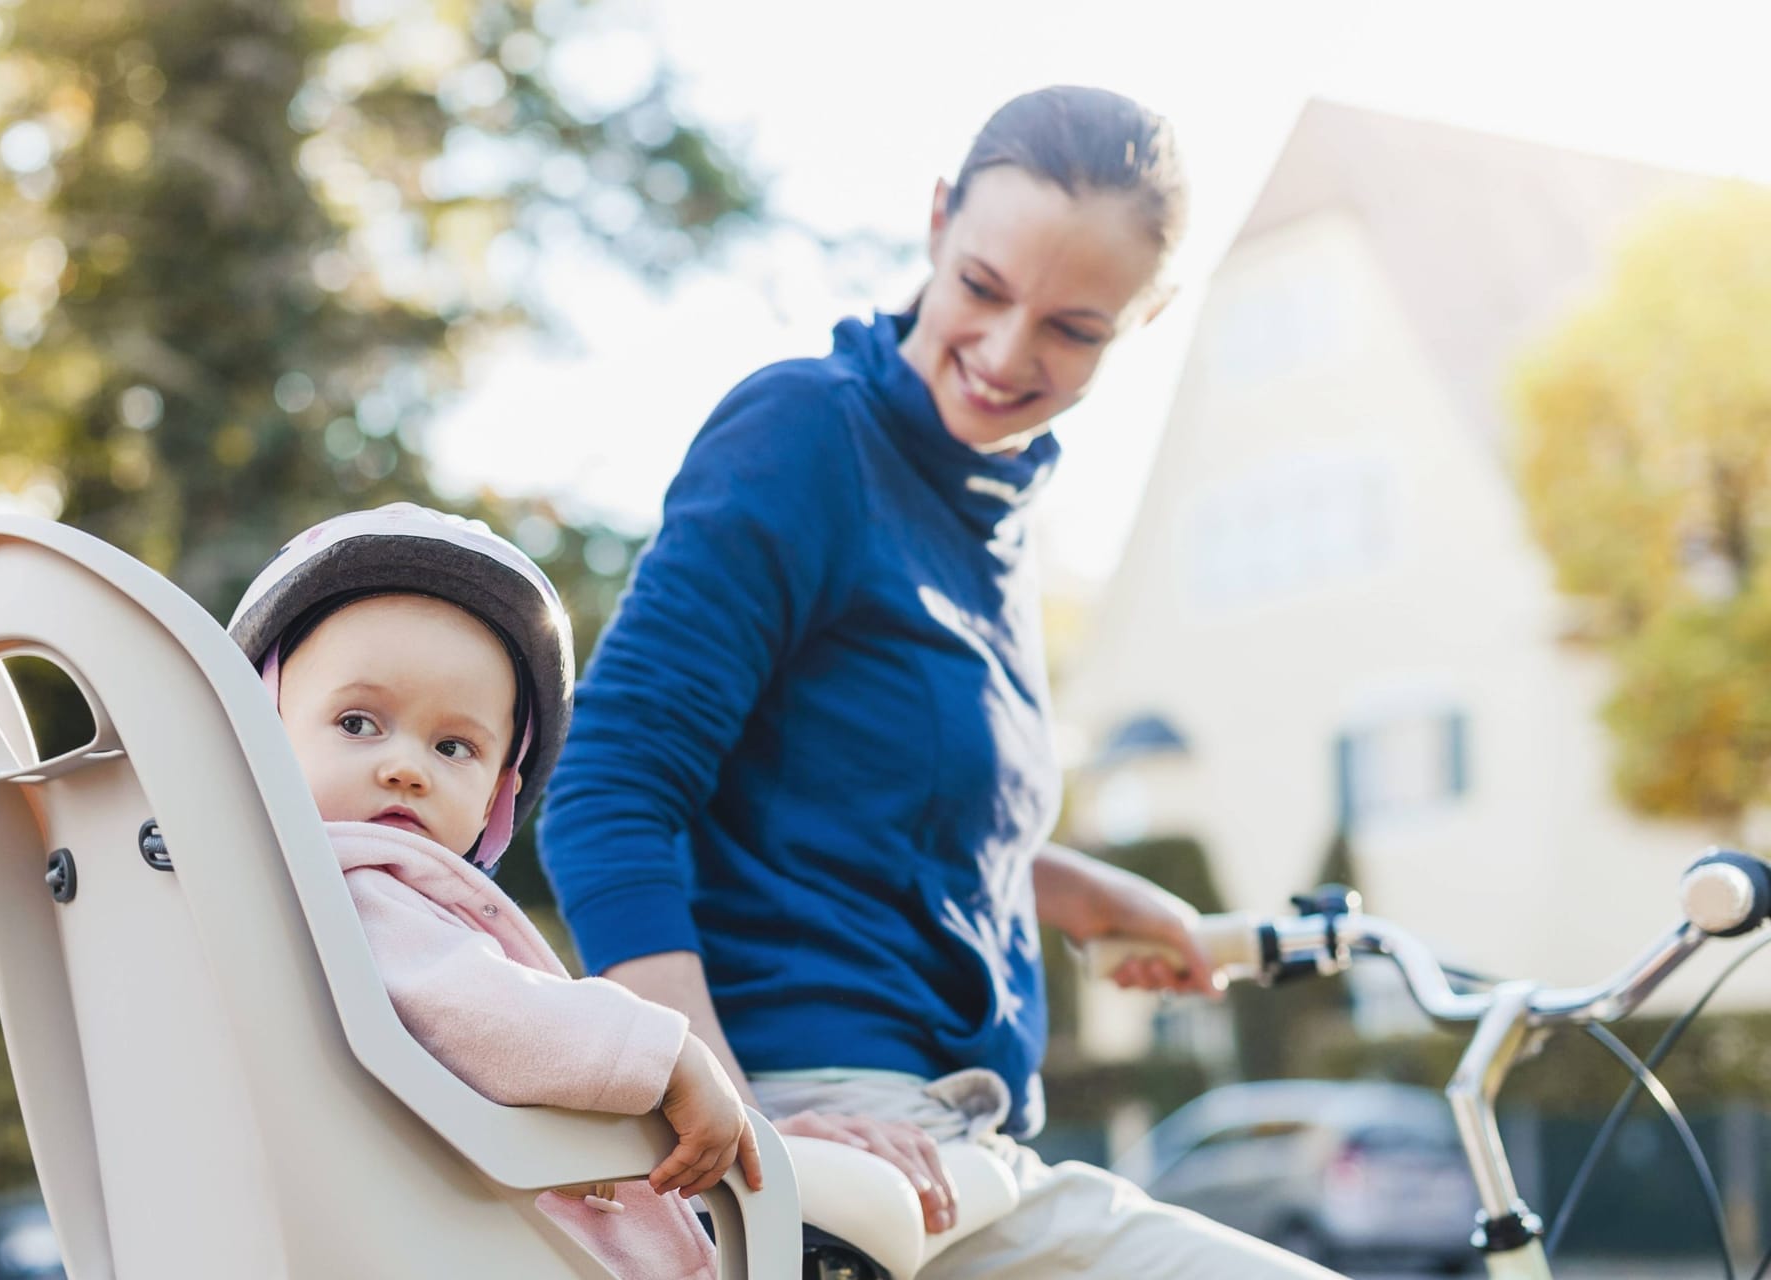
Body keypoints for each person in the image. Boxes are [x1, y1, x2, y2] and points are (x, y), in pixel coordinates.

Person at [539, 88, 1342, 1278]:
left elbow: (855, 810)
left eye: (1073, 327)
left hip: (959, 1139)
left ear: (1145, 315)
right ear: (934, 224)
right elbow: (607, 789)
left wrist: (1074, 889)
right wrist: (730, 1120)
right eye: (982, 286)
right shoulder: (809, 435)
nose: (1009, 352)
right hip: (834, 1137)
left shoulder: (991, 528)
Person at [227, 503, 760, 1280]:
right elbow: (475, 1006)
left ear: (493, 799)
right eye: (357, 722)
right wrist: (667, 1055)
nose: (406, 767)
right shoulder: (351, 888)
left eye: (453, 745)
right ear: (260, 734)